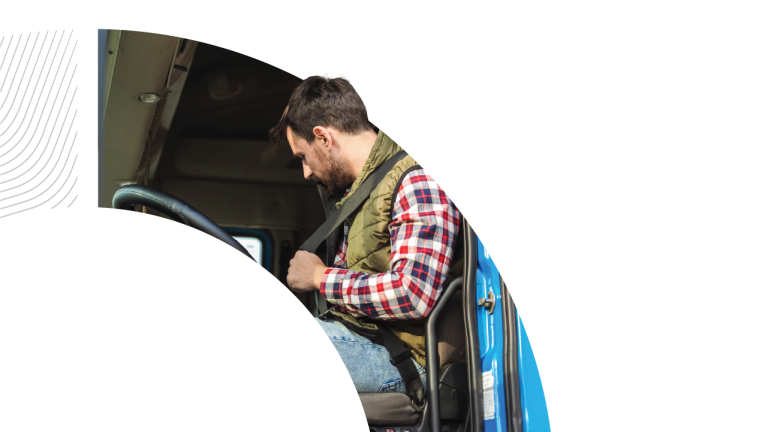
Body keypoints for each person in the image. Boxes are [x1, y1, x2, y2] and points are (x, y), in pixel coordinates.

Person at [268, 72, 462, 396]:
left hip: (408, 358)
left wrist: (320, 277)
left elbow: (413, 294)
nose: (305, 171)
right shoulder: (359, 195)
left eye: (303, 156)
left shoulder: (416, 180)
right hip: (369, 340)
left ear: (324, 138)